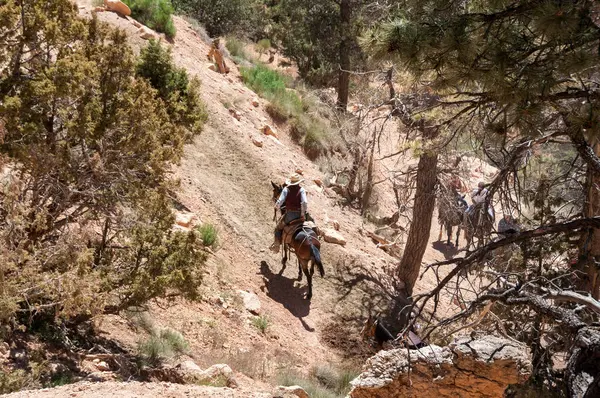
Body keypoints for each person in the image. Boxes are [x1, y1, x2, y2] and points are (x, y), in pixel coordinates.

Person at [270, 173, 308, 253]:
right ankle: (317, 235)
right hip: (300, 215)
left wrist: (276, 207)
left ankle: (276, 246)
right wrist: (302, 214)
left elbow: (280, 201)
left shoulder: (286, 189)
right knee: (311, 222)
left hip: (290, 215)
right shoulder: (301, 190)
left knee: (278, 227)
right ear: (298, 182)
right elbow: (304, 202)